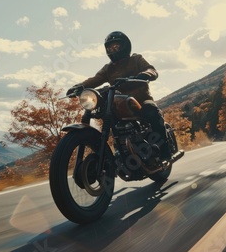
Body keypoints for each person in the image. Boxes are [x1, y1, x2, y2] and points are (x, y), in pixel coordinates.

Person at [67, 31, 171, 160]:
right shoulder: (108, 68)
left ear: (125, 46)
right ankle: (120, 151)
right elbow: (95, 79)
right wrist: (80, 86)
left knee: (151, 111)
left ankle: (164, 150)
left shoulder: (136, 59)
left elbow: (151, 69)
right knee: (108, 118)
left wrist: (145, 75)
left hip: (141, 100)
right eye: (109, 47)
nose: (112, 50)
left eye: (116, 46)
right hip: (119, 103)